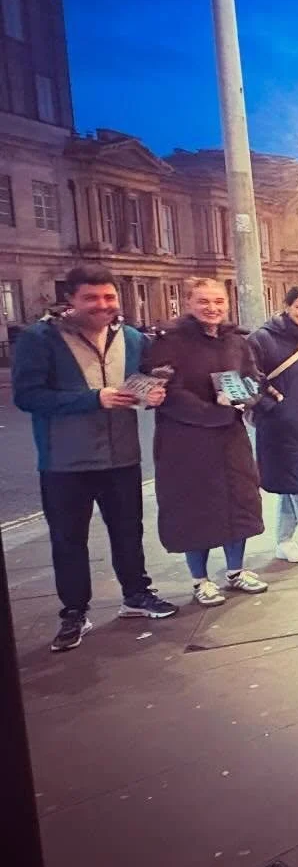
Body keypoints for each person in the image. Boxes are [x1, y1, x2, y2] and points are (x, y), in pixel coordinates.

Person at [13, 264, 176, 652]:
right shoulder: (40, 339)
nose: (102, 305)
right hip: (64, 463)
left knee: (128, 531)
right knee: (68, 540)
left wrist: (150, 394)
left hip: (122, 457)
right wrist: (93, 398)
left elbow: (141, 381)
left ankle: (136, 595)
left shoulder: (133, 338)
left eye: (109, 297)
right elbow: (27, 396)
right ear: (69, 300)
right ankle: (74, 611)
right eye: (91, 298)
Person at [143, 277, 268, 606]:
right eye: (203, 302)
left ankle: (236, 571)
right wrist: (215, 413)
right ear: (188, 303)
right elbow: (166, 392)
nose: (212, 308)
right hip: (186, 443)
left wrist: (248, 398)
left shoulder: (236, 341)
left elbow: (253, 378)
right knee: (194, 509)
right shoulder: (169, 341)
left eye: (218, 301)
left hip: (230, 438)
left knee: (238, 502)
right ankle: (200, 580)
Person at [249, 286, 298, 563]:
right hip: (279, 425)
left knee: (293, 484)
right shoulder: (262, 338)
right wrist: (273, 407)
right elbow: (248, 379)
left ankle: (283, 540)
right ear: (287, 307)